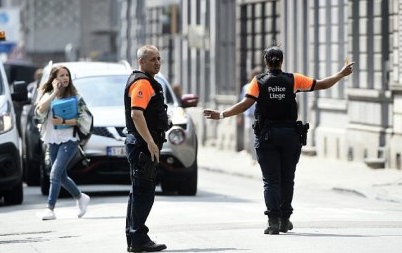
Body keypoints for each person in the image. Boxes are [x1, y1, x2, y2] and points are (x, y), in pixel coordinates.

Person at [203, 44, 354, 235]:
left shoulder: (258, 82)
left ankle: (273, 222)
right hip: (290, 136)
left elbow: (244, 105)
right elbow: (322, 84)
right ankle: (285, 220)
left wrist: (222, 114)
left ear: (266, 62)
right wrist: (340, 74)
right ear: (281, 61)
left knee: (271, 181)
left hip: (267, 137)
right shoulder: (293, 80)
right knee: (287, 180)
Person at [124, 45, 168, 252]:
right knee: (144, 193)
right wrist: (150, 142)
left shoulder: (148, 82)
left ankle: (133, 238)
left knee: (138, 192)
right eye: (152, 59)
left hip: (141, 144)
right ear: (141, 61)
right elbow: (136, 114)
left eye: (159, 58)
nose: (157, 62)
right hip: (142, 146)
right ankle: (139, 238)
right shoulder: (142, 82)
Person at [35, 65, 90, 220]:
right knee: (61, 175)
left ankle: (50, 208)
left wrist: (64, 121)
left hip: (70, 139)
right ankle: (81, 197)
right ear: (54, 79)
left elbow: (84, 119)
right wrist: (54, 93)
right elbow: (39, 111)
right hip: (52, 139)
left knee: (54, 173)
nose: (65, 78)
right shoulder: (47, 95)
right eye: (61, 75)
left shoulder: (76, 97)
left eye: (67, 75)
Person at [240, 67, 263, 161]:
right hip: (250, 116)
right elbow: (241, 102)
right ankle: (254, 157)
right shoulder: (246, 87)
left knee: (261, 137)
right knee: (252, 137)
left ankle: (261, 156)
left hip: (261, 116)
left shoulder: (263, 87)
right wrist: (239, 116)